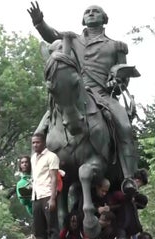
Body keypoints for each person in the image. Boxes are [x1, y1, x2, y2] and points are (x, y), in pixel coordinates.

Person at [27, 2, 139, 181]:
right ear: (83, 19)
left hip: (103, 94)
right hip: (75, 92)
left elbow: (123, 75)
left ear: (104, 19)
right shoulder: (71, 38)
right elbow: (52, 34)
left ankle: (129, 177)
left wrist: (116, 80)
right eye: (88, 12)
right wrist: (39, 22)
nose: (91, 14)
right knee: (40, 131)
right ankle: (36, 177)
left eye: (96, 12)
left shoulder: (117, 45)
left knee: (124, 127)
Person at [29, 133, 61, 239]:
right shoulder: (33, 158)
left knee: (52, 227)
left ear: (43, 143)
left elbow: (54, 178)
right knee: (39, 230)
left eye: (37, 142)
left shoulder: (51, 157)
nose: (35, 145)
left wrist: (53, 198)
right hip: (36, 196)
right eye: (33, 143)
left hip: (48, 195)